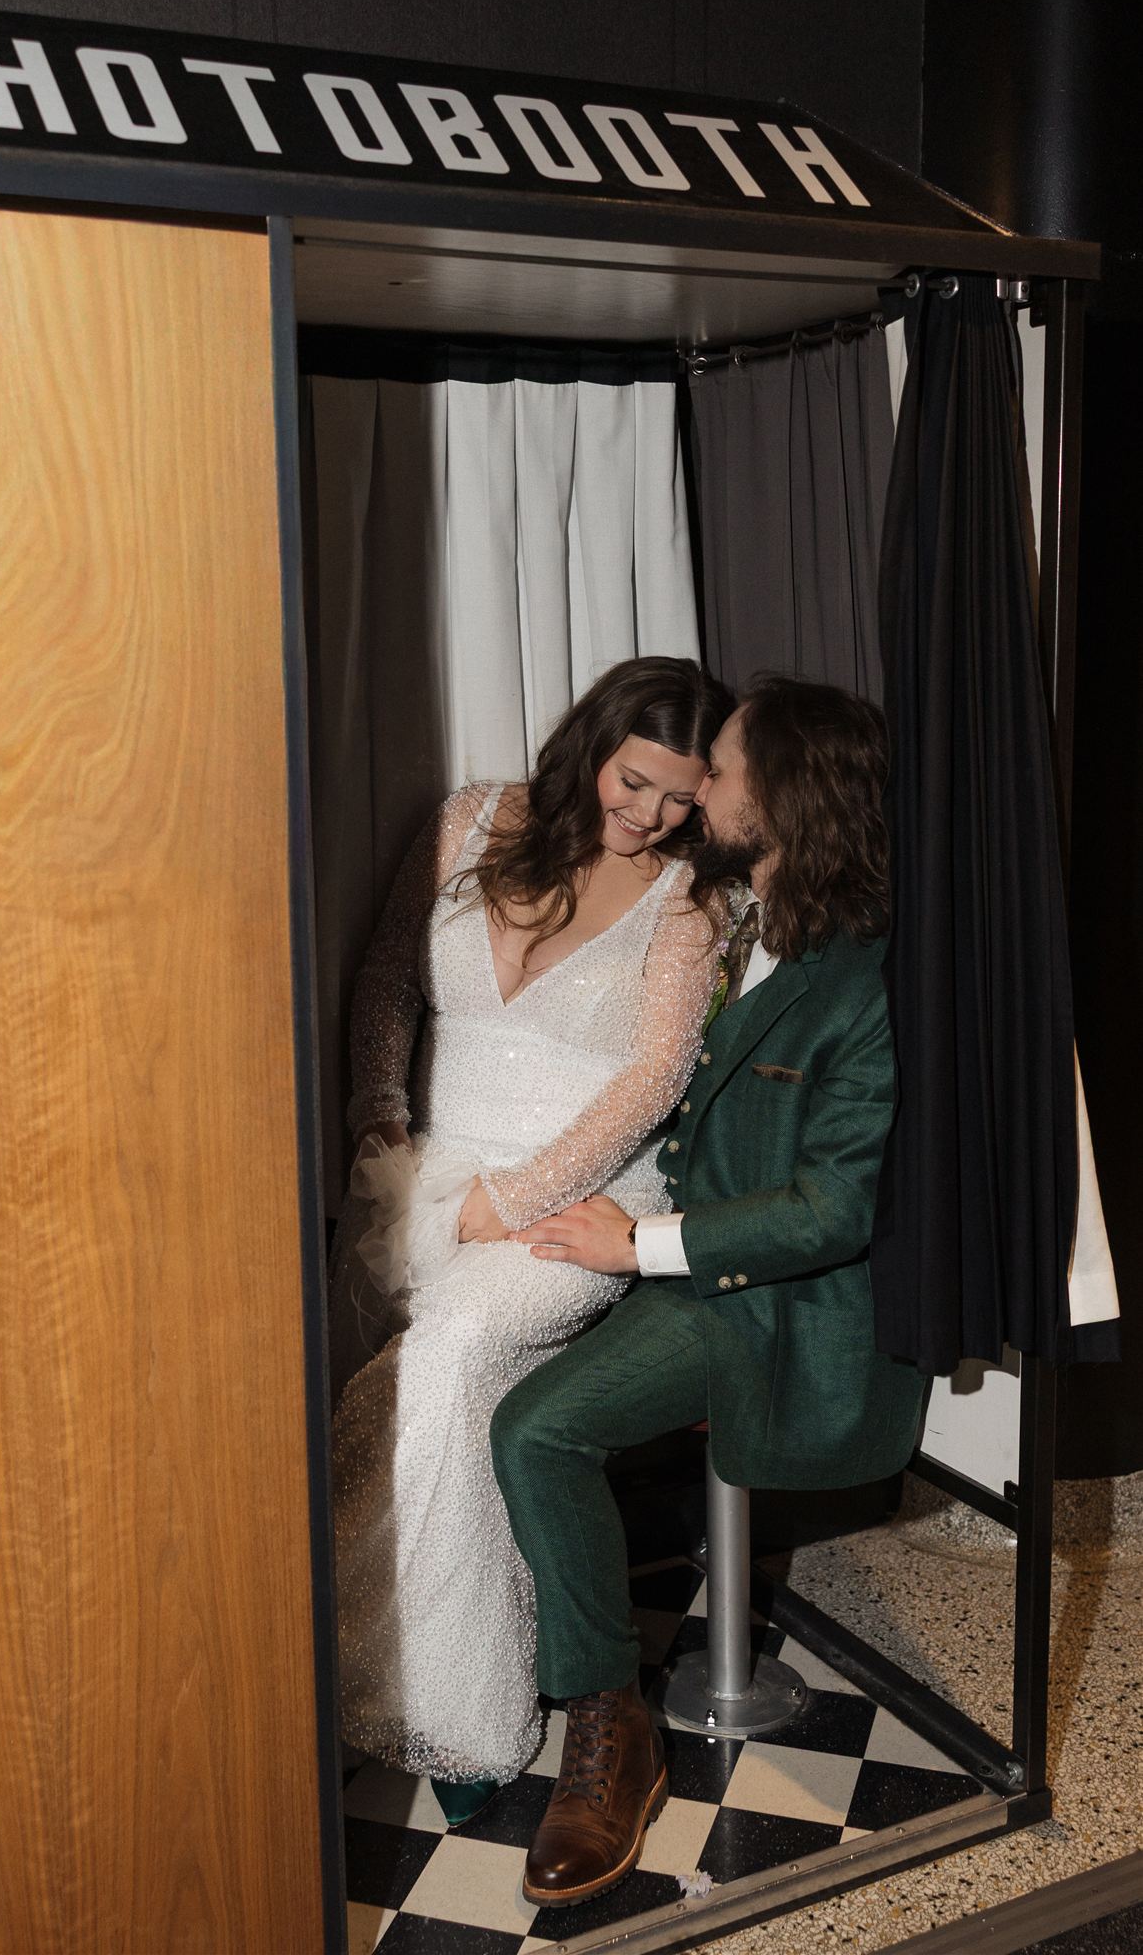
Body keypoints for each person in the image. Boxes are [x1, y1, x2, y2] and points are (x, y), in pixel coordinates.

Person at [490, 675, 930, 1909]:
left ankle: (606, 1727)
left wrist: (638, 1244)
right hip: (690, 1265)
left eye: (721, 771)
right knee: (509, 1393)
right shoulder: (739, 913)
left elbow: (834, 1208)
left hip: (777, 1310)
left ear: (781, 794)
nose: (695, 796)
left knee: (536, 1429)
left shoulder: (867, 979)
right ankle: (574, 1690)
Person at [330, 656, 734, 1828]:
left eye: (681, 797)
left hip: (577, 1194)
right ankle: (365, 1660)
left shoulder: (687, 897)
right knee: (395, 1375)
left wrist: (511, 1198)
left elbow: (655, 1076)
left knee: (452, 1347)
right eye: (635, 780)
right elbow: (387, 981)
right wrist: (379, 1119)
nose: (650, 815)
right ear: (592, 743)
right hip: (418, 1169)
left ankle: (465, 1715)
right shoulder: (469, 819)